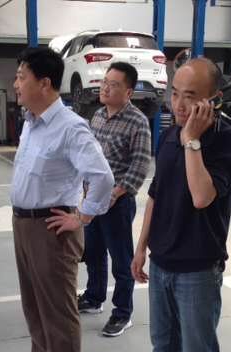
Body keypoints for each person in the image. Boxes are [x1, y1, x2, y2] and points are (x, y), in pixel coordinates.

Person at [119, 58, 231, 352]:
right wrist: (141, 247)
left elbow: (202, 195)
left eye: (191, 96)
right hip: (163, 263)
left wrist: (192, 140)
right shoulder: (169, 134)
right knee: (163, 349)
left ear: (214, 100)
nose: (179, 104)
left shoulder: (225, 141)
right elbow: (156, 194)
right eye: (175, 94)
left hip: (198, 270)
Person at [4, 47, 114, 352]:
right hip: (23, 224)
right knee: (33, 303)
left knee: (58, 311)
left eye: (21, 77)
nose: (16, 84)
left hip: (51, 229)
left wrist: (81, 217)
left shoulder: (70, 127)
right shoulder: (30, 122)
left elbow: (102, 178)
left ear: (44, 83)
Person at [77, 62, 151, 337]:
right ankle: (94, 298)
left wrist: (115, 193)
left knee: (121, 260)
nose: (105, 88)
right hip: (92, 200)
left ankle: (122, 312)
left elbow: (139, 166)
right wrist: (86, 193)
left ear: (128, 92)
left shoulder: (138, 122)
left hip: (117, 204)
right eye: (104, 82)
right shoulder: (97, 116)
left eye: (114, 85)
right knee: (93, 253)